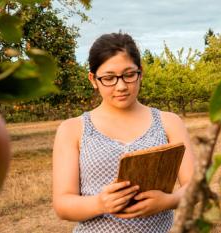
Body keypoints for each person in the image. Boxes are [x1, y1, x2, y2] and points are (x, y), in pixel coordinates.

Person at [52, 32, 195, 233]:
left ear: (140, 73)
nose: (121, 86)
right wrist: (101, 204)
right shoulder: (72, 129)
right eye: (109, 78)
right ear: (93, 79)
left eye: (129, 75)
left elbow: (194, 186)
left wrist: (167, 201)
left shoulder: (169, 122)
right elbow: (63, 204)